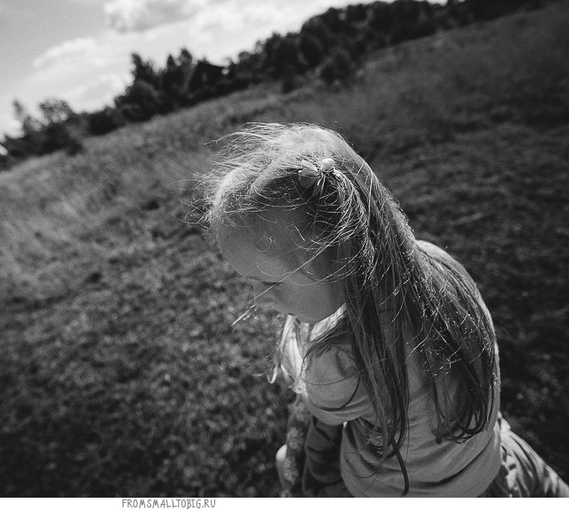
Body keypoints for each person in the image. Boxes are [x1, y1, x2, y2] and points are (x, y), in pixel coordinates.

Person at [198, 123, 569, 497]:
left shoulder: (339, 361)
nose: (259, 299)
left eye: (269, 283)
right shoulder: (441, 266)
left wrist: (307, 489)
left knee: (284, 462)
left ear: (339, 254)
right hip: (495, 468)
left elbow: (313, 453)